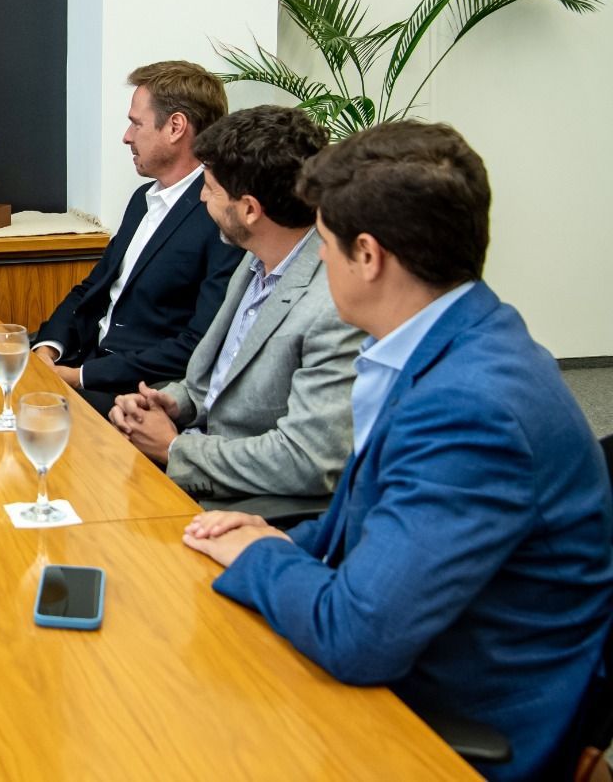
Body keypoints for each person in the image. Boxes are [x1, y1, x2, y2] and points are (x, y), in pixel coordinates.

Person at [183, 121, 613, 782]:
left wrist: (259, 554)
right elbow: (359, 511)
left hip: (443, 726)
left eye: (322, 244)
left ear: (368, 255)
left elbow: (358, 637)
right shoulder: (457, 335)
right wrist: (279, 539)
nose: (317, 264)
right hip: (409, 652)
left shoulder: (471, 409)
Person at [109, 105, 360, 499]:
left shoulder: (332, 306)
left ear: (249, 210)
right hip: (193, 462)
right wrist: (171, 403)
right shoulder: (254, 258)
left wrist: (174, 448)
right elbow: (216, 385)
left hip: (241, 505)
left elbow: (308, 461)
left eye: (210, 188)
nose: (202, 197)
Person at [32, 61, 244, 414]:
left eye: (136, 123)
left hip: (133, 392)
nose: (127, 137)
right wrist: (47, 349)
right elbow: (91, 290)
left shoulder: (219, 216)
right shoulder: (142, 200)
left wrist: (79, 376)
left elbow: (197, 343)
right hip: (80, 358)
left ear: (176, 126)